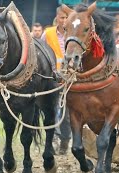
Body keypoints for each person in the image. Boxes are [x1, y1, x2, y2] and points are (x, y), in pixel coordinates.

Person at [41, 6, 71, 155]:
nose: (64, 21)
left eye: (66, 18)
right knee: (52, 110)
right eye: (62, 18)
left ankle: (65, 139)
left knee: (66, 113)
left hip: (70, 79)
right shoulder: (48, 33)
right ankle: (53, 138)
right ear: (57, 18)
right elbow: (40, 51)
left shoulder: (74, 32)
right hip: (52, 79)